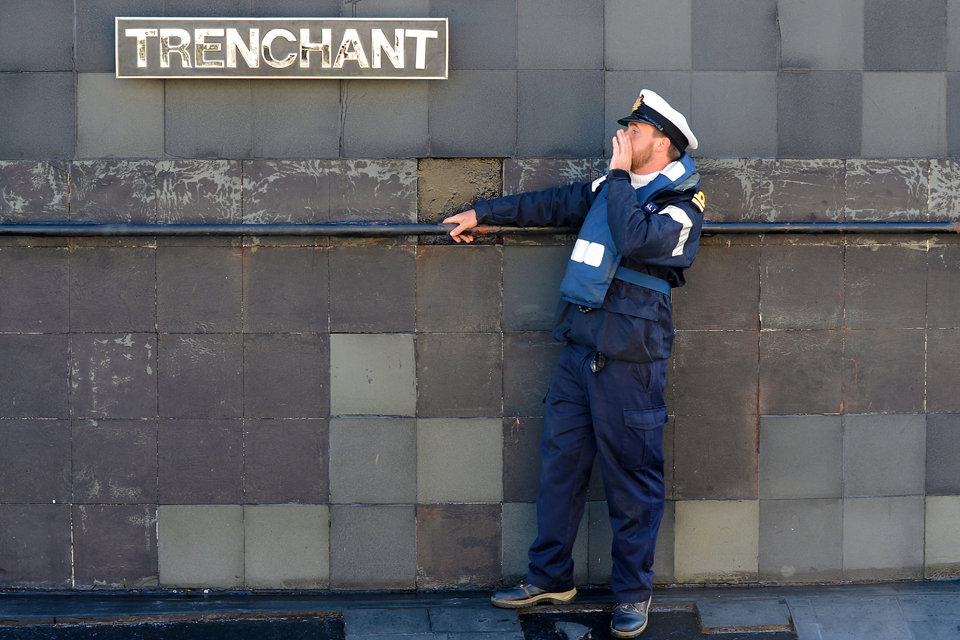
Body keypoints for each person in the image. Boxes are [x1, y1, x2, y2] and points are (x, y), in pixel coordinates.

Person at [443, 90, 705, 639]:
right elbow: (554, 203)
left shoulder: (681, 210)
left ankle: (633, 594)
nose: (620, 140)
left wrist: (614, 177)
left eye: (632, 132)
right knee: (560, 472)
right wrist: (485, 213)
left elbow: (633, 235)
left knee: (633, 485)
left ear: (662, 144)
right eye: (625, 130)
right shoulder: (610, 187)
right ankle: (549, 577)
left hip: (630, 366)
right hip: (578, 355)